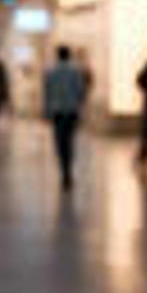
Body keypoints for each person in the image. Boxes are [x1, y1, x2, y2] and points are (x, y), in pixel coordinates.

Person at [42, 46, 90, 190]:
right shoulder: (76, 72)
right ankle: (68, 171)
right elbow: (81, 91)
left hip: (57, 112)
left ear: (57, 55)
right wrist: (80, 107)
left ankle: (64, 170)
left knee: (59, 141)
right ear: (69, 55)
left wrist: (46, 112)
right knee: (70, 141)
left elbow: (47, 93)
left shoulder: (50, 72)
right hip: (71, 111)